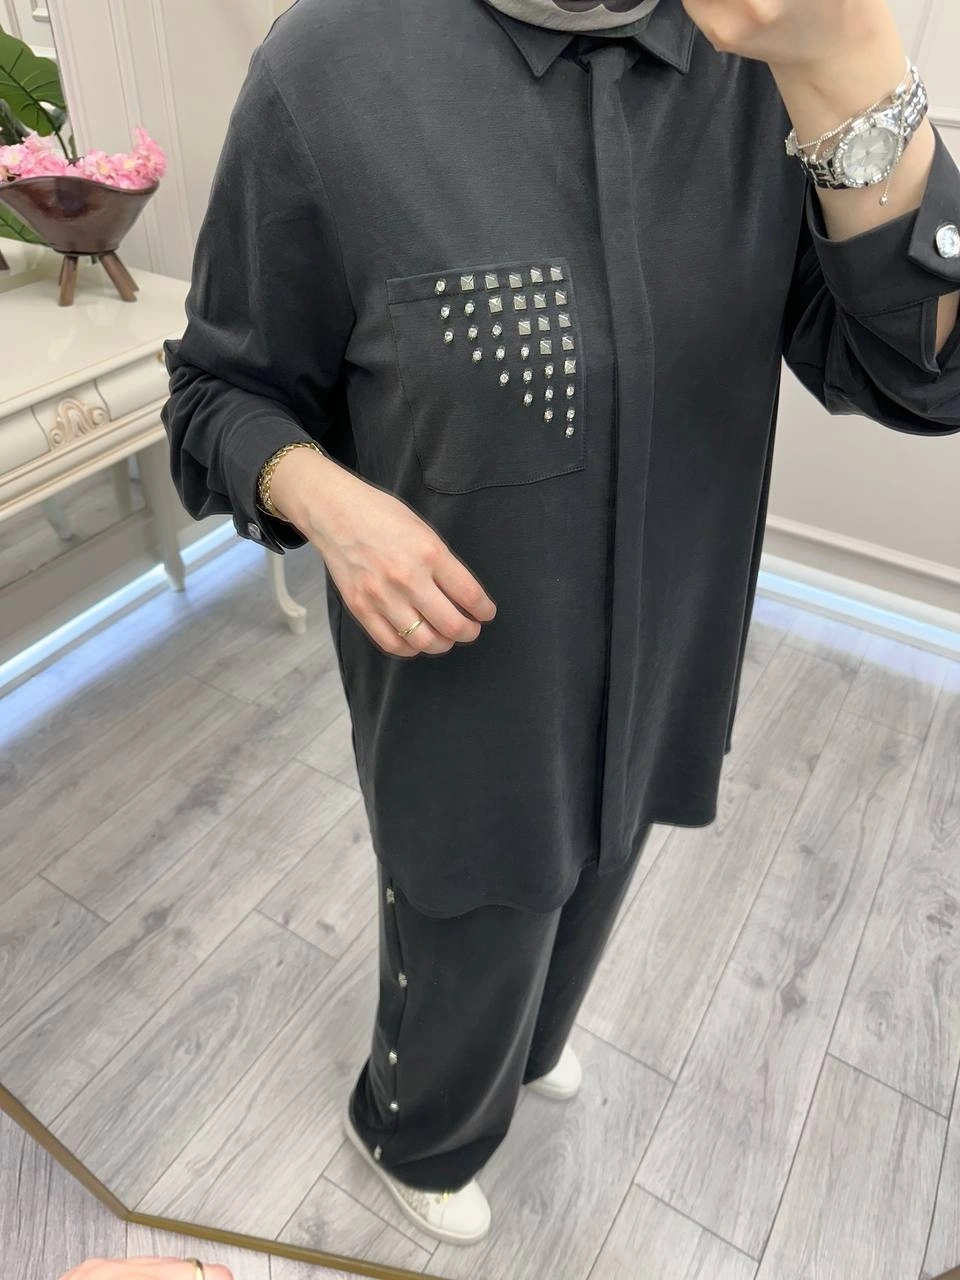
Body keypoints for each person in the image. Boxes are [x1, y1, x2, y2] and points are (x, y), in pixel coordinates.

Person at [161, 0, 960, 1248]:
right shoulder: (331, 68)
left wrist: (853, 60)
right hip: (464, 685)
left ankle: (530, 1042)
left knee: (602, 866)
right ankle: (413, 1127)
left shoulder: (754, 59)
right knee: (470, 913)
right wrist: (325, 499)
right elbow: (218, 391)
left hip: (669, 648)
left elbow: (918, 368)